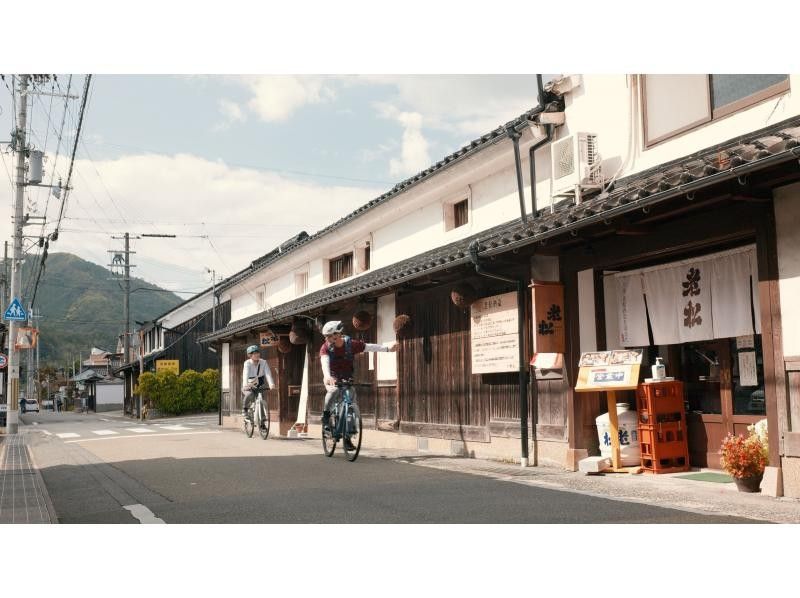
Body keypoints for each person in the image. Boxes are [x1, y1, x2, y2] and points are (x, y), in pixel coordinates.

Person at [319, 320, 397, 434]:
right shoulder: (325, 347)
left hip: (347, 378)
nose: (326, 339)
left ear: (337, 335)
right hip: (332, 378)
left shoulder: (351, 344)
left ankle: (348, 436)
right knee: (334, 390)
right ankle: (326, 416)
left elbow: (368, 347)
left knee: (350, 403)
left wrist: (388, 349)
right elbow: (324, 362)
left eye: (329, 336)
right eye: (326, 336)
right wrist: (327, 376)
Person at [242, 345, 276, 418]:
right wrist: (245, 385)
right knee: (249, 394)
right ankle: (245, 409)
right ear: (250, 355)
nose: (257, 355)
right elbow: (246, 374)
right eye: (254, 353)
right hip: (249, 384)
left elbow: (268, 374)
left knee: (261, 401)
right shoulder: (247, 363)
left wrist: (271, 384)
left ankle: (262, 423)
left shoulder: (263, 362)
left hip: (260, 384)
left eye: (257, 352)